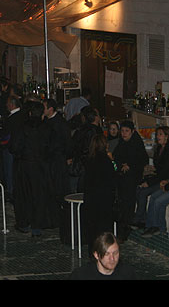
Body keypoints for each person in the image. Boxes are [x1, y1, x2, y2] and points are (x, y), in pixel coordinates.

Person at [11, 101, 57, 236]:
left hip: (25, 165)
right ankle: (37, 225)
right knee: (40, 194)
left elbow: (15, 146)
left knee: (23, 195)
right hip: (41, 165)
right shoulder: (47, 128)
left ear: (30, 113)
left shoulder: (22, 127)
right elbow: (53, 147)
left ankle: (24, 223)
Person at [132, 125, 169, 230]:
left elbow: (165, 172)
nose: (158, 137)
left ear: (166, 136)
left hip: (163, 180)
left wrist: (150, 182)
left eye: (160, 134)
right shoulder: (159, 148)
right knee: (138, 189)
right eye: (157, 134)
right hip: (157, 176)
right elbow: (159, 168)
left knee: (143, 192)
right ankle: (142, 217)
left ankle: (140, 220)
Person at [113, 119, 149, 241]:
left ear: (132, 132)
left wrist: (130, 165)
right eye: (122, 131)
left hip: (132, 178)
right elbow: (116, 156)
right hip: (122, 177)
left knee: (128, 204)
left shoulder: (136, 144)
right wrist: (121, 165)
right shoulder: (122, 143)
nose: (124, 134)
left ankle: (124, 230)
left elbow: (141, 160)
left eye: (126, 131)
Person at [83, 134, 118, 252]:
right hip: (104, 199)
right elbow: (114, 175)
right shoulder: (106, 160)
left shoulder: (89, 159)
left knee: (92, 227)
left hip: (91, 198)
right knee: (103, 228)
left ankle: (92, 251)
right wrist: (113, 161)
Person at [70, 232, 136, 280]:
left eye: (115, 253)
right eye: (107, 254)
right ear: (96, 255)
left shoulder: (127, 274)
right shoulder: (81, 276)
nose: (112, 258)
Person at [68, 105, 102, 193]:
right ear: (94, 117)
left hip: (78, 167)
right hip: (87, 168)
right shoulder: (95, 132)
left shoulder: (80, 131)